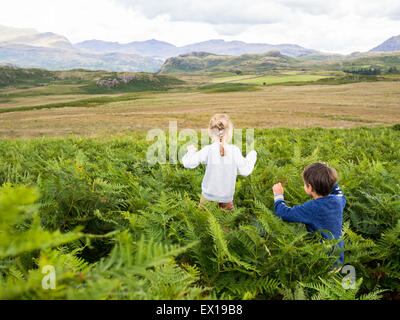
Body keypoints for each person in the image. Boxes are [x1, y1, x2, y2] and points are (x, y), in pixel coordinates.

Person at [272, 162, 346, 269]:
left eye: (304, 184)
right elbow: (337, 190)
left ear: (310, 187)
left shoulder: (312, 208)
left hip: (321, 261)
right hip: (338, 257)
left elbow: (284, 213)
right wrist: (326, 173)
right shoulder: (339, 200)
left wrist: (278, 195)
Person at [182, 114, 257, 210]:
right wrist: (252, 155)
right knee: (224, 223)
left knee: (203, 223)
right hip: (226, 198)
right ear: (229, 132)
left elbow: (188, 163)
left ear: (210, 132)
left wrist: (191, 151)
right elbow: (245, 171)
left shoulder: (208, 150)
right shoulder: (234, 151)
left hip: (207, 197)